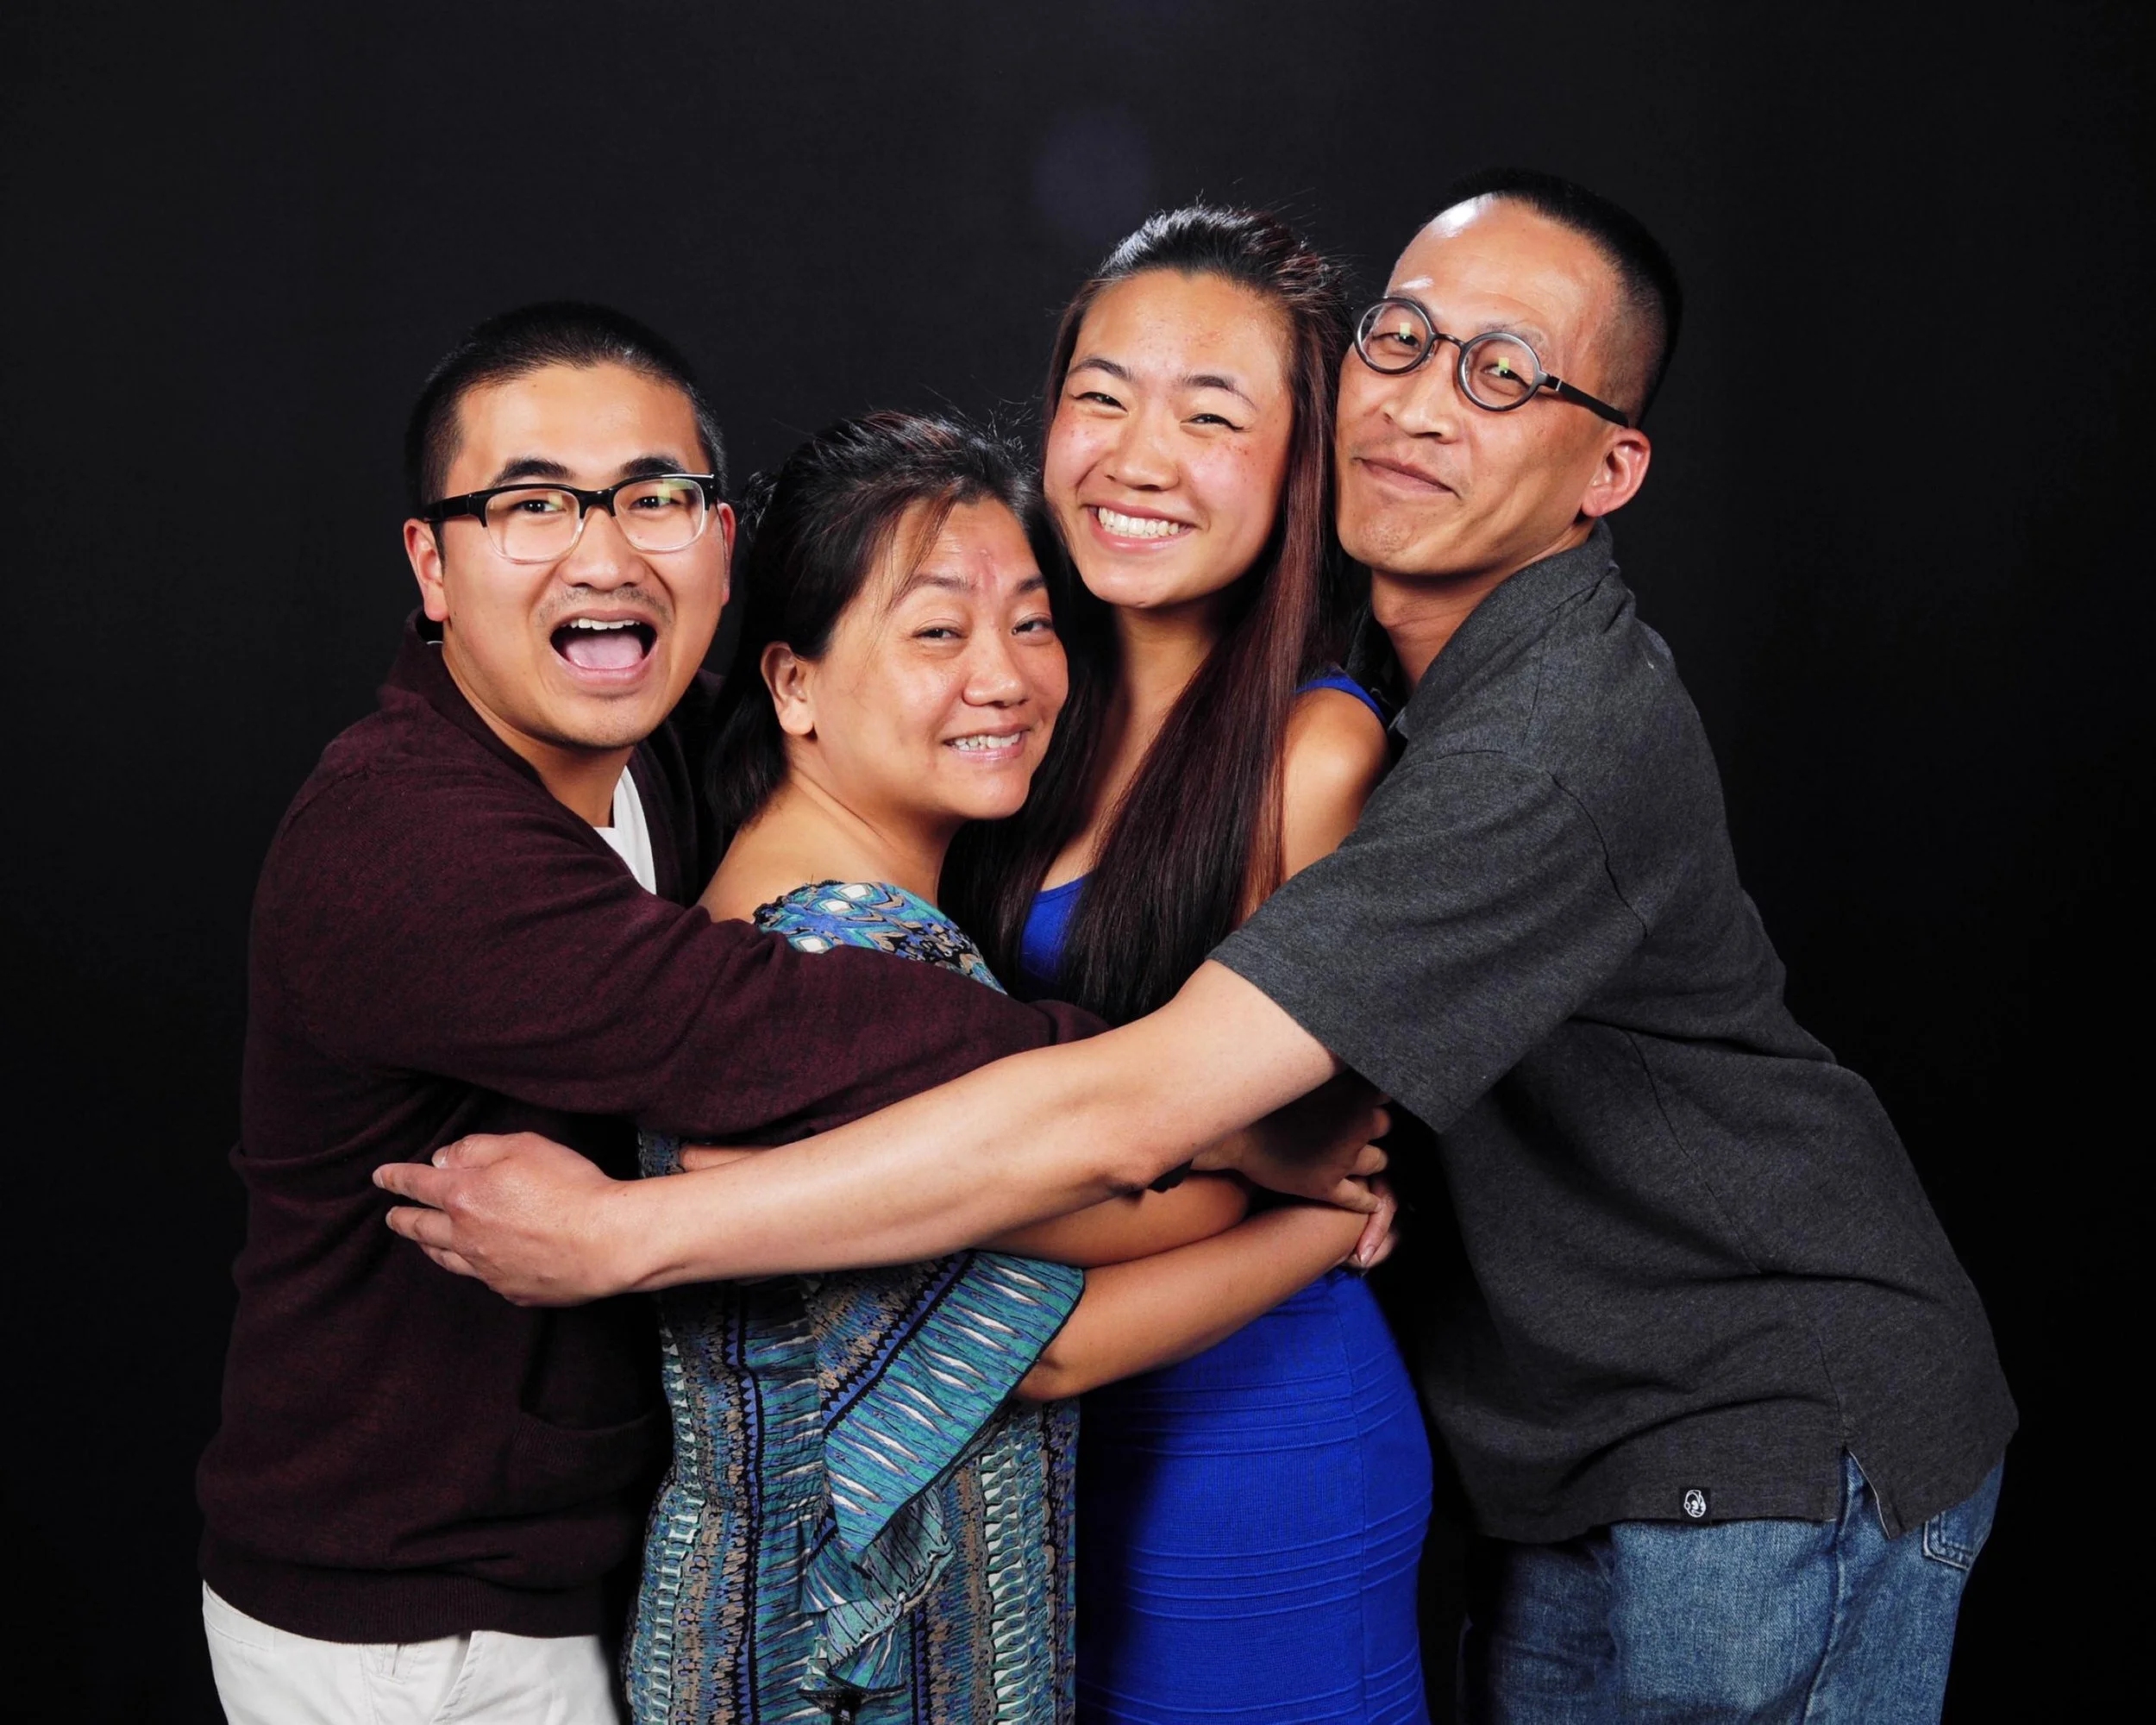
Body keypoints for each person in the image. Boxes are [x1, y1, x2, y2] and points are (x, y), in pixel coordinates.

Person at [384, 172, 2015, 1722]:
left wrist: (633, 1236)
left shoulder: (1504, 747)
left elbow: (1152, 1114)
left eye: (1505, 374)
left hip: (1739, 1428)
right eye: (1403, 341)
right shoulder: (1032, 699)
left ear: (1608, 470)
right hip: (1482, 1440)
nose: (1423, 404)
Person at [207, 303, 1380, 1725]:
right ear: (432, 563)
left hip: (576, 1575)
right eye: (533, 505)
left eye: (653, 498)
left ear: (717, 542)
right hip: (415, 1627)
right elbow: (773, 1034)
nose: (604, 553)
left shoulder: (651, 762)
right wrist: (1225, 1121)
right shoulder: (413, 844)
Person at [626, 409, 1395, 1725]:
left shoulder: (837, 924)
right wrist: (1319, 1207)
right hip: (836, 1676)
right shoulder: (835, 956)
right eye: (938, 632)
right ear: (794, 685)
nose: (1007, 677)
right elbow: (1047, 1335)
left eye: (1033, 623)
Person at [944, 206, 1429, 1723]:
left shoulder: (1314, 753)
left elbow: (1289, 1142)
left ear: (1301, 467)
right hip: (1010, 1440)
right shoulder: (1008, 697)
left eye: (1210, 416)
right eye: (1101, 396)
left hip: (1248, 1442)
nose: (1136, 458)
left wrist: (1273, 1168)